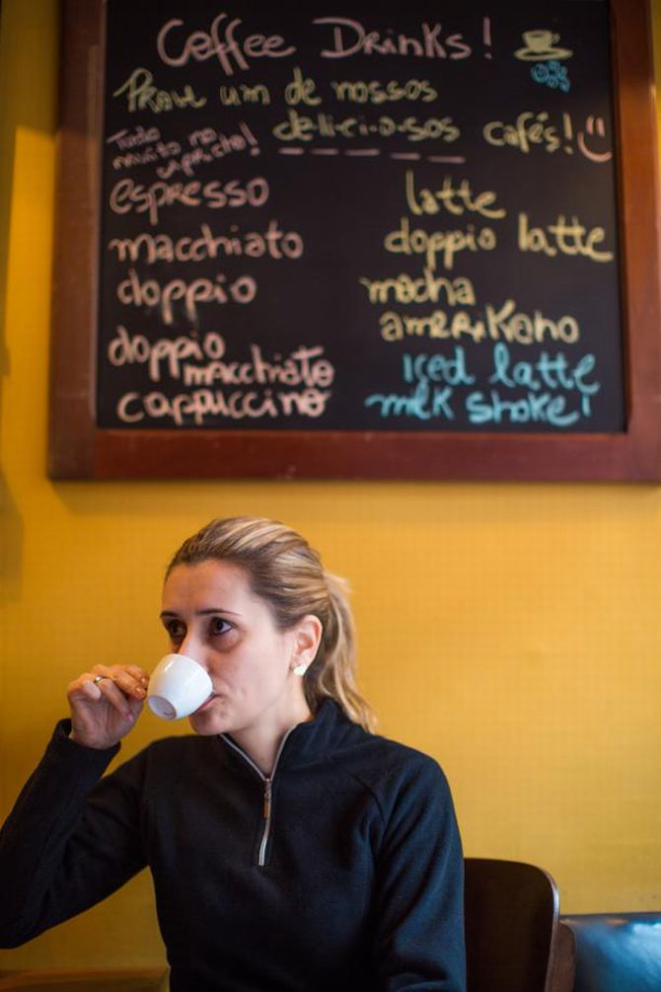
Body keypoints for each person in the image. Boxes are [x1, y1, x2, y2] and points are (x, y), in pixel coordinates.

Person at [0, 516, 466, 992]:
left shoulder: (401, 785)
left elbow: (427, 982)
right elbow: (9, 917)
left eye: (219, 627)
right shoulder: (161, 776)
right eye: (175, 628)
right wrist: (83, 751)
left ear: (302, 643)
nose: (185, 657)